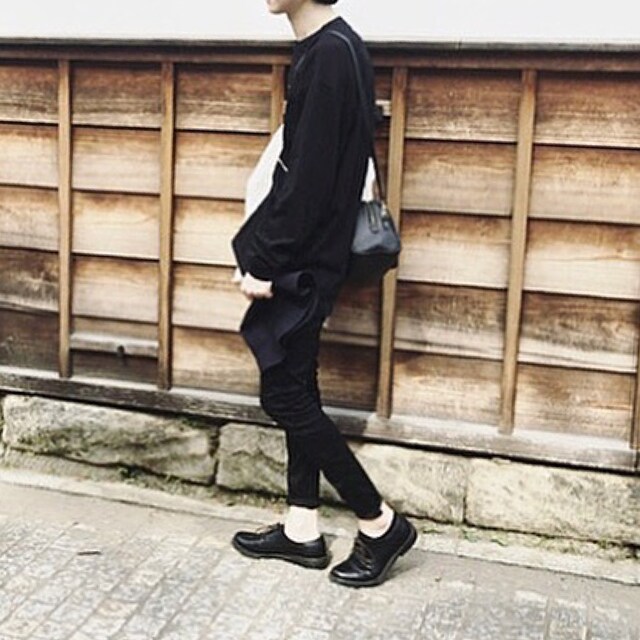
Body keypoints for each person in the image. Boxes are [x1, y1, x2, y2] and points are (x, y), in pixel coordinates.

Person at [231, 0, 416, 588]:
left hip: (304, 263)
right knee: (298, 381)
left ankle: (380, 522)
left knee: (284, 394)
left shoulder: (331, 54)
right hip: (312, 256)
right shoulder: (329, 47)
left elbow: (307, 183)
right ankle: (302, 526)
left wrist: (265, 264)